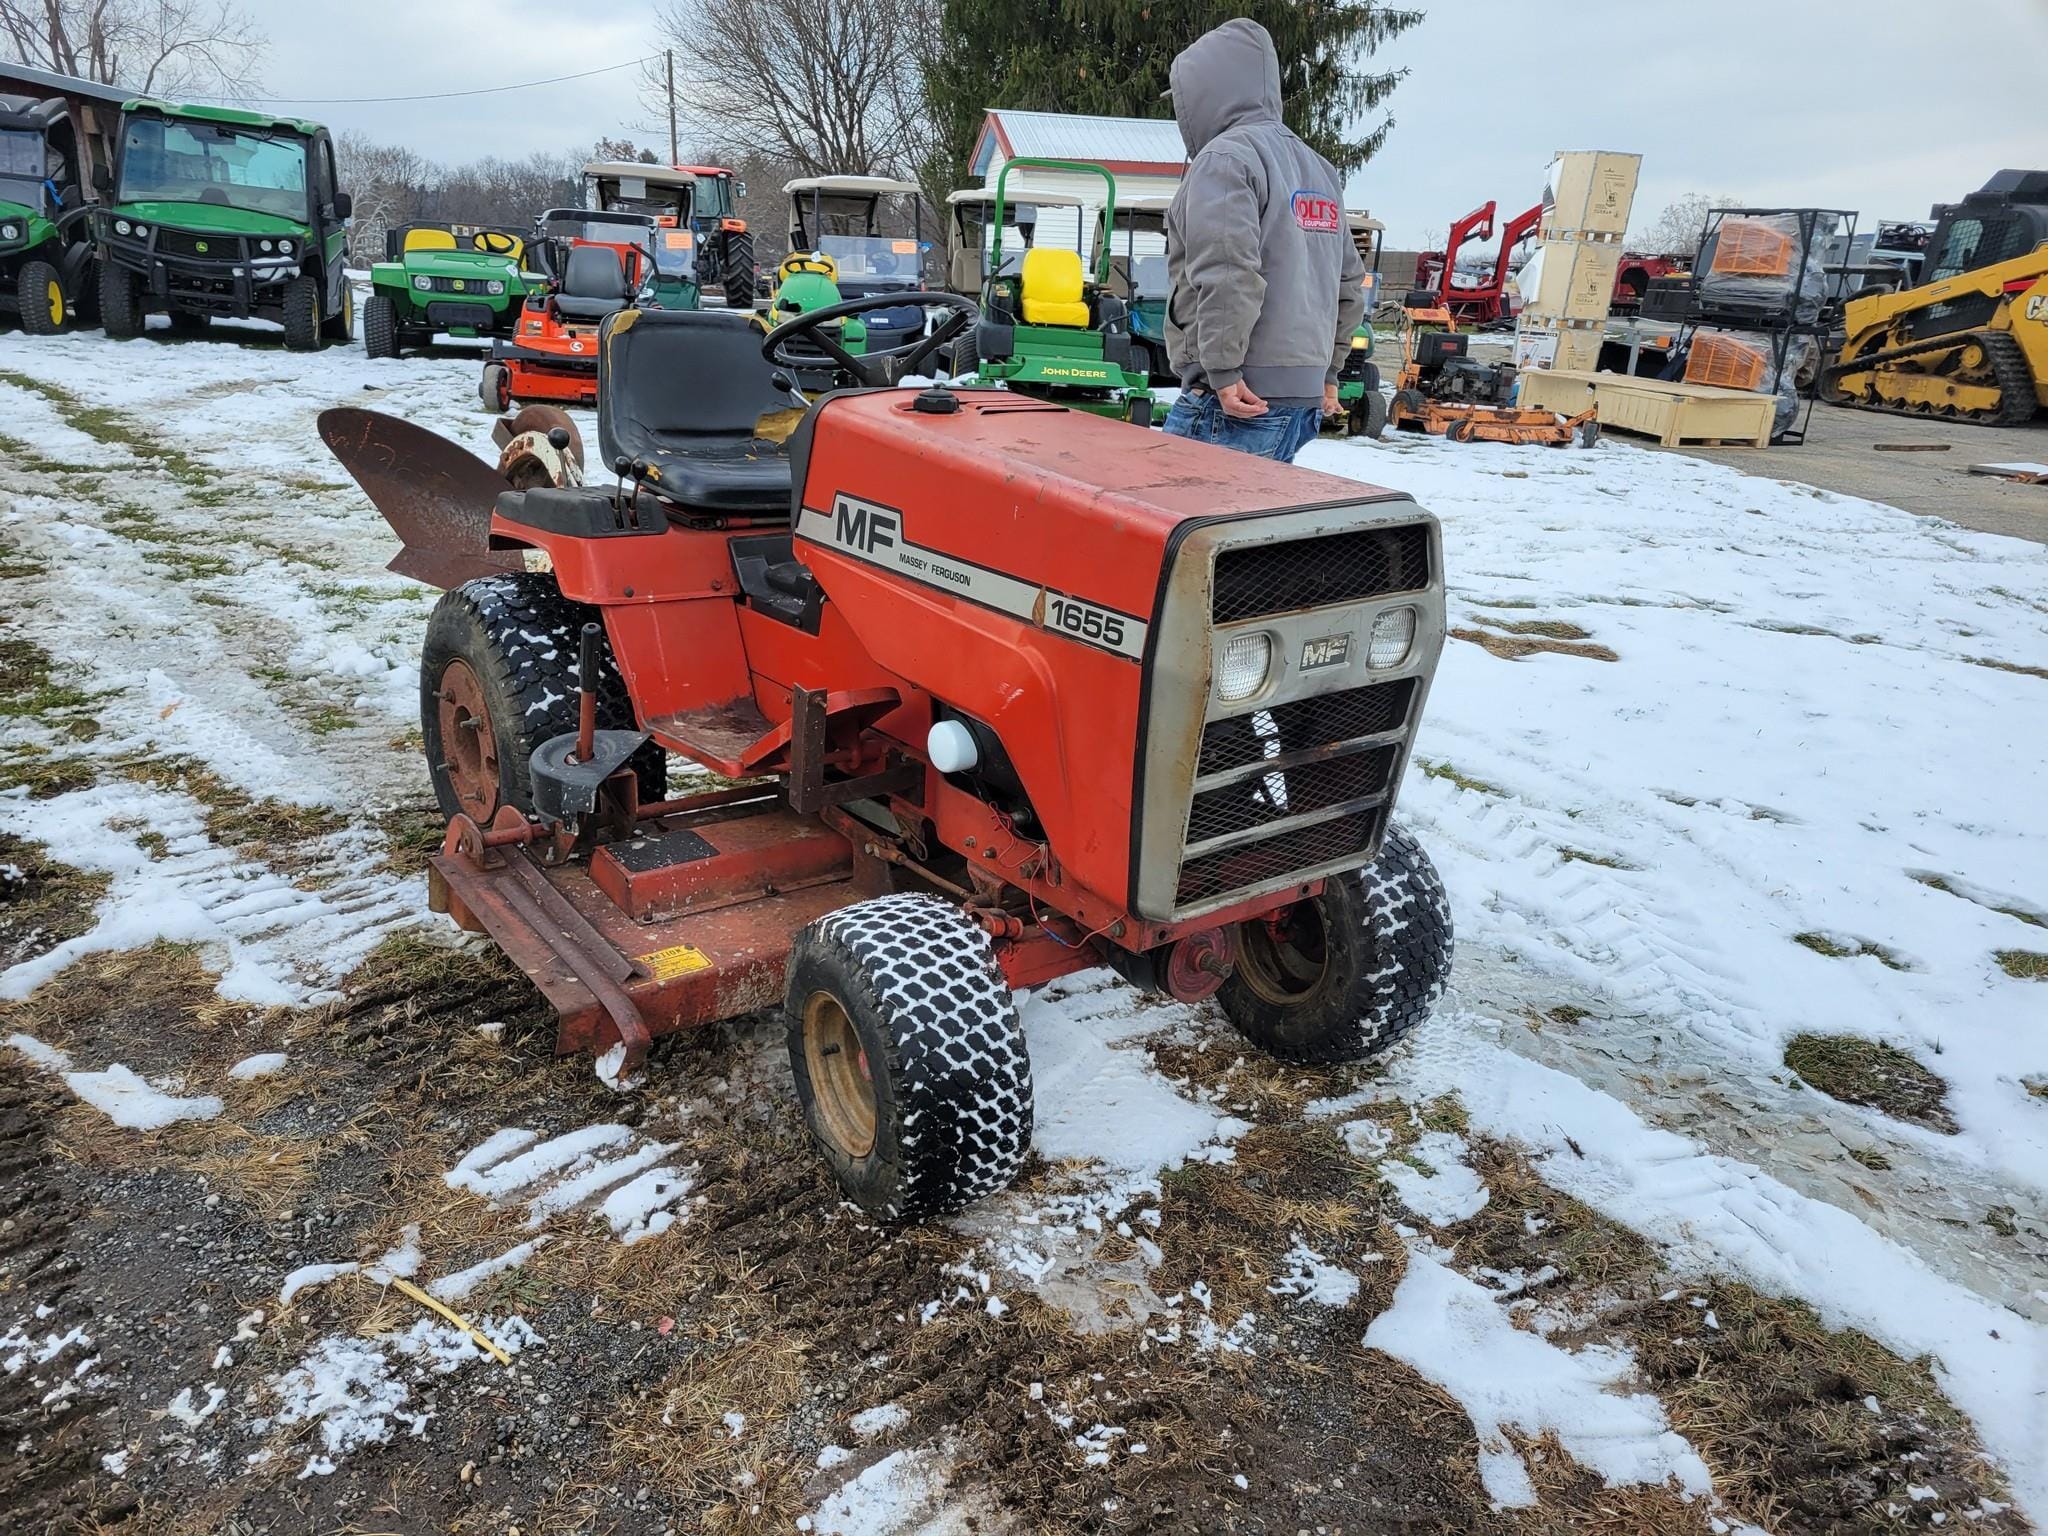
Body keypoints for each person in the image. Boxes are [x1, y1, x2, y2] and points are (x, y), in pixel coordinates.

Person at [1161, 18, 1367, 463]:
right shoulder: (1318, 168)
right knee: (1249, 526)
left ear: (1201, 96)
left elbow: (1229, 272)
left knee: (1169, 524)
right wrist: (1328, 372)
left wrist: (1222, 369)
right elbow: (1348, 284)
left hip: (1235, 398)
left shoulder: (1223, 158)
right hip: (1300, 401)